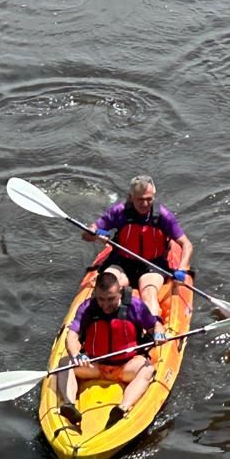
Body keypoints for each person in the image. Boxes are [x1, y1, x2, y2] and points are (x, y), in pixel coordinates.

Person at [52, 267, 161, 430]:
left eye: (110, 299)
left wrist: (159, 335)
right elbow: (72, 336)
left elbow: (156, 326)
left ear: (120, 292)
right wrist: (76, 355)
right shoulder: (87, 308)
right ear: (96, 294)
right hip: (94, 365)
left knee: (147, 370)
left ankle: (122, 408)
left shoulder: (135, 306)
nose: (105, 305)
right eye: (101, 299)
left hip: (126, 366)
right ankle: (69, 405)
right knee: (65, 363)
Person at [82, 175, 193, 319]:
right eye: (140, 199)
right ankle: (90, 325)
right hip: (121, 263)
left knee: (149, 293)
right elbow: (86, 235)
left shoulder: (163, 216)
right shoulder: (119, 212)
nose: (145, 204)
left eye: (149, 199)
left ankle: (152, 331)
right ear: (131, 197)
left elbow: (187, 244)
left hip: (152, 265)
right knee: (104, 289)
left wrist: (182, 269)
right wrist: (95, 234)